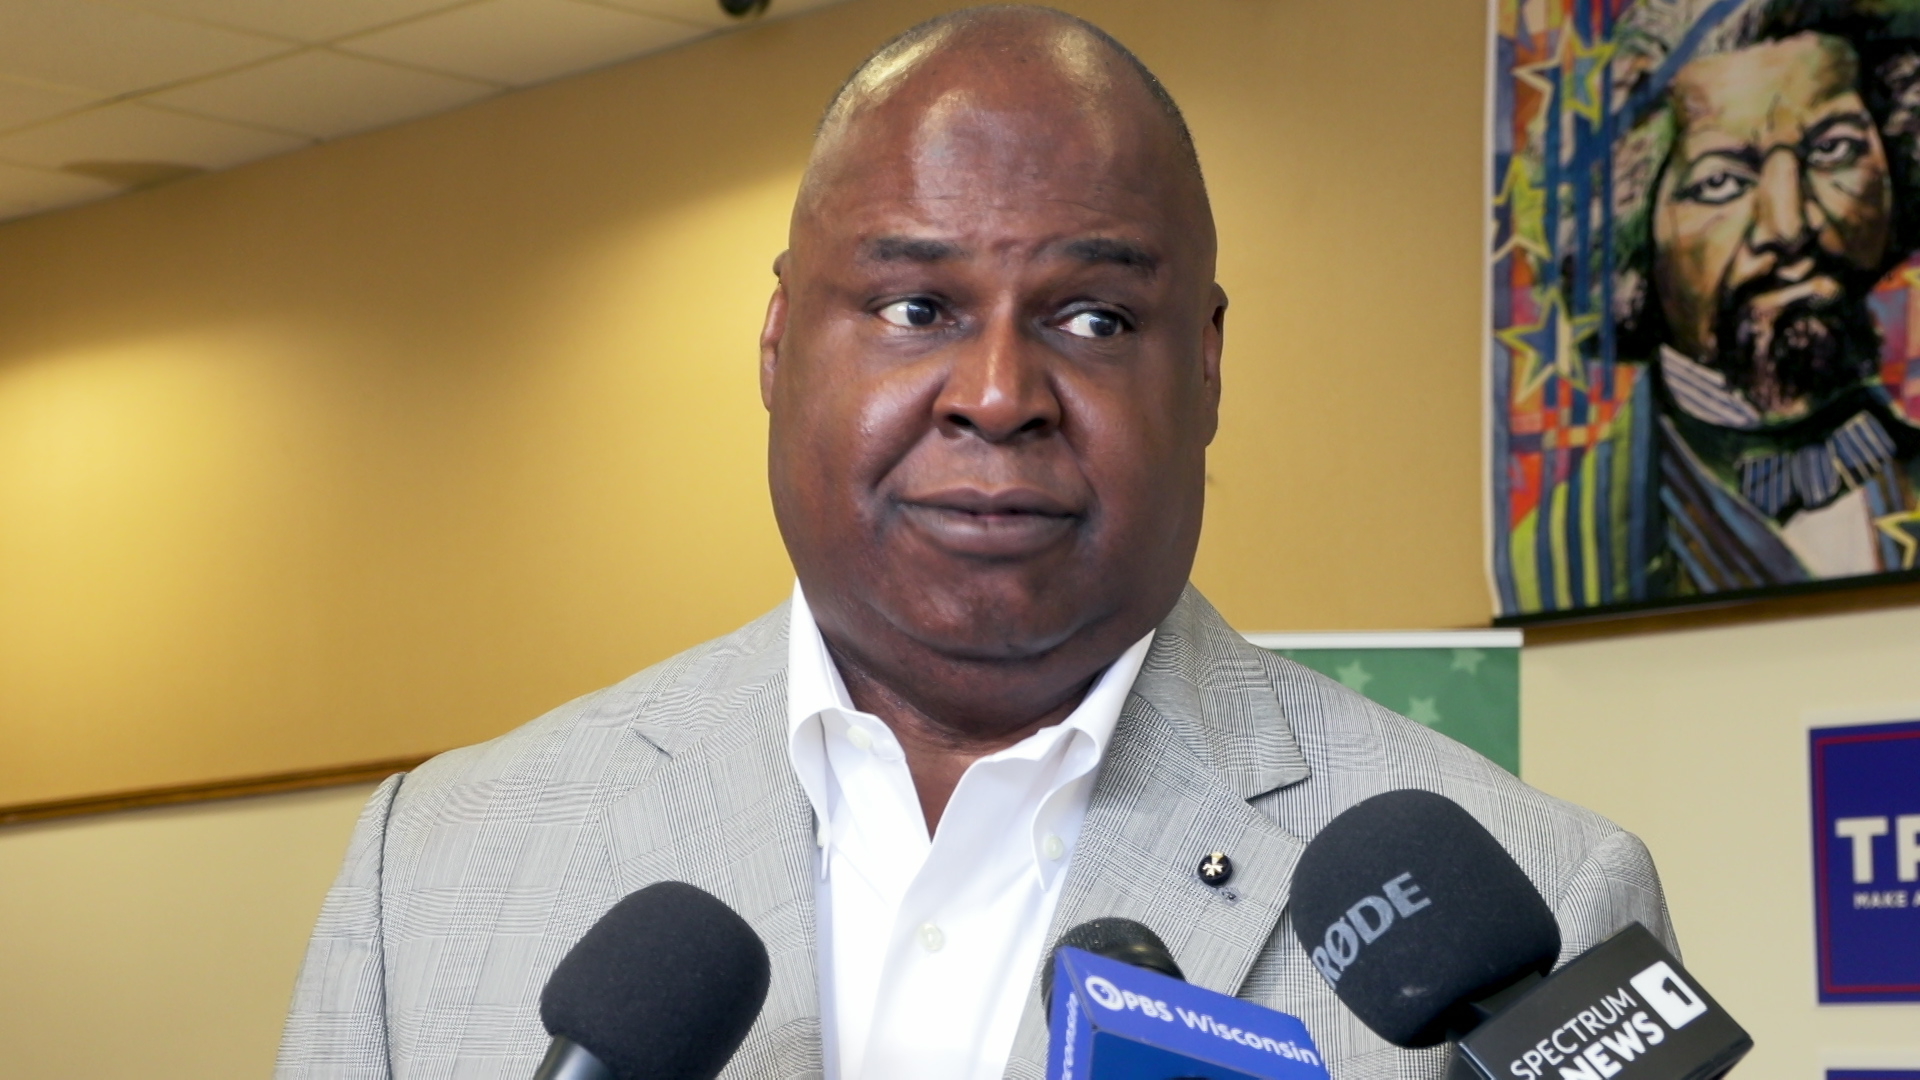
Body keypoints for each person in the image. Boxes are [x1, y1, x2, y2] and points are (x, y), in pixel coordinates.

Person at [276, 8, 1673, 1079]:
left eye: (1096, 319)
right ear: (776, 343)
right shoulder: (434, 872)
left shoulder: (1550, 911)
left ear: (1208, 366)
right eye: (912, 308)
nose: (998, 395)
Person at [1610, 0, 1920, 594]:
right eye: (1721, 181)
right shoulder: (1569, 545)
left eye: (1831, 150)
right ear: (1634, 226)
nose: (1789, 223)